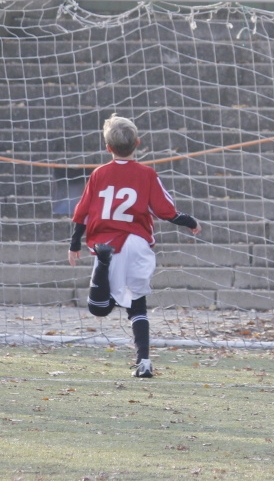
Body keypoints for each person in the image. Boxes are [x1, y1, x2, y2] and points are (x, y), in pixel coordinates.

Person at [68, 114, 200, 378]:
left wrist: (74, 243)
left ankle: (102, 264)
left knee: (98, 308)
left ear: (108, 147)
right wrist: (189, 221)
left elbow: (82, 212)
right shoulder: (147, 174)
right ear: (138, 143)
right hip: (137, 243)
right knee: (137, 306)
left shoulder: (98, 174)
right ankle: (144, 363)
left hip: (107, 242)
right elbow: (165, 210)